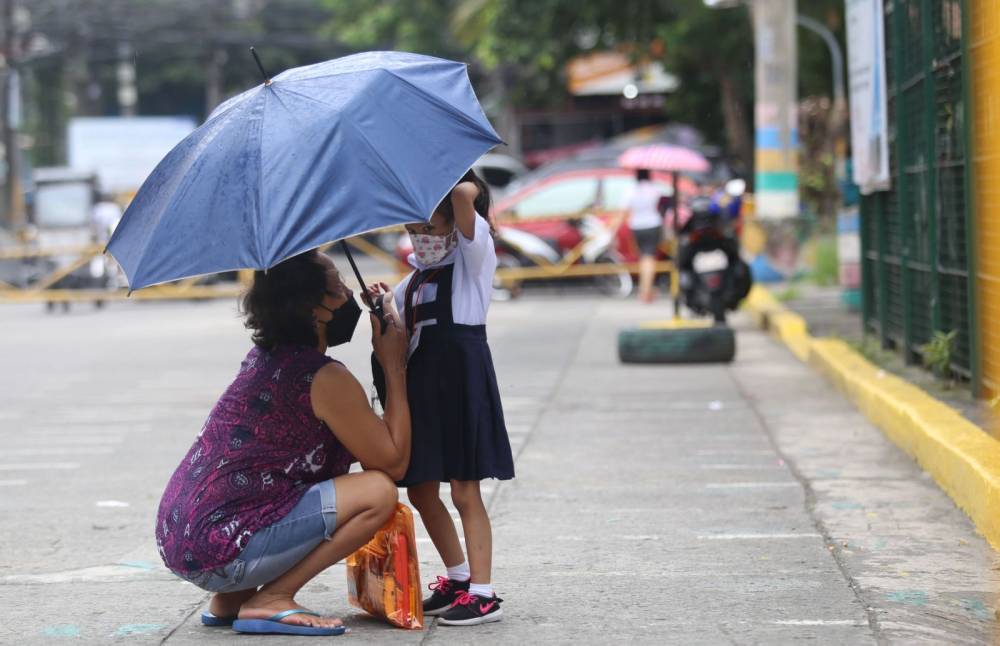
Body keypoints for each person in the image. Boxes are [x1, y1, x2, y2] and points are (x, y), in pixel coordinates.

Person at [155, 250, 411, 637]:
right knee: (378, 492)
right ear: (315, 308)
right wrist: (394, 366)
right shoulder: (323, 378)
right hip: (221, 550)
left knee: (281, 488)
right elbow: (392, 464)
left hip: (184, 542)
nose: (347, 293)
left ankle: (231, 598)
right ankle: (272, 597)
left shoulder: (265, 358)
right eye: (337, 284)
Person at [370, 169, 514, 626]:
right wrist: (383, 312)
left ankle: (484, 592)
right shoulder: (410, 281)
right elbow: (402, 339)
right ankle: (457, 576)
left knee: (464, 489)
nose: (420, 237)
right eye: (412, 230)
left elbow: (467, 192)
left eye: (429, 227)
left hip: (462, 383)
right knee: (421, 488)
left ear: (455, 221)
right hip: (423, 390)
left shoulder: (475, 261)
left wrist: (453, 186)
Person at [624, 168, 667, 303]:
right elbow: (663, 205)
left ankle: (645, 289)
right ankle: (646, 290)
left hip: (637, 226)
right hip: (653, 224)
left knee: (644, 257)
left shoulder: (631, 189)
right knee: (649, 258)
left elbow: (624, 209)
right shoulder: (655, 189)